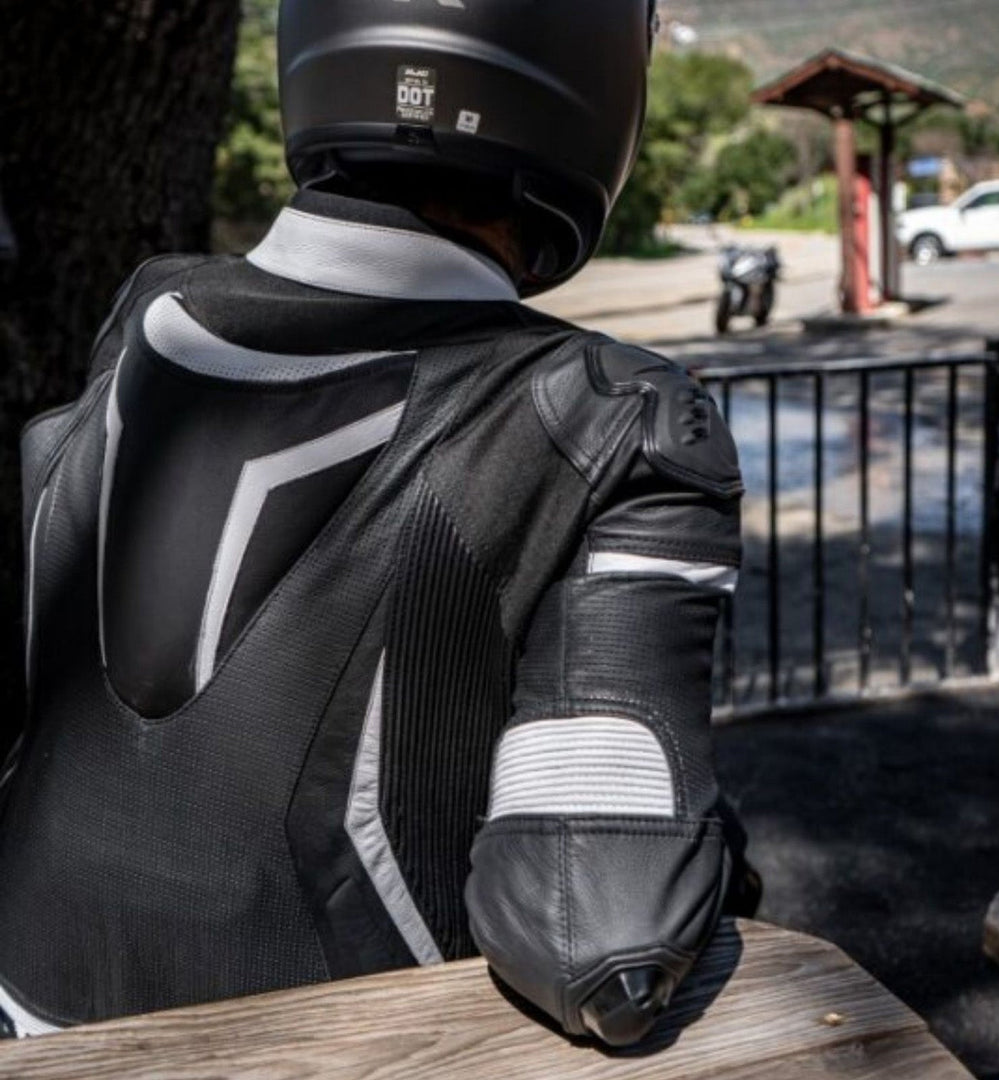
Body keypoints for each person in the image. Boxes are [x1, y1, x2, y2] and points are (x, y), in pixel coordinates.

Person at [0, 0, 754, 1046]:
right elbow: (600, 940)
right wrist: (707, 842)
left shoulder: (144, 326)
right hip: (347, 1058)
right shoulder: (610, 418)